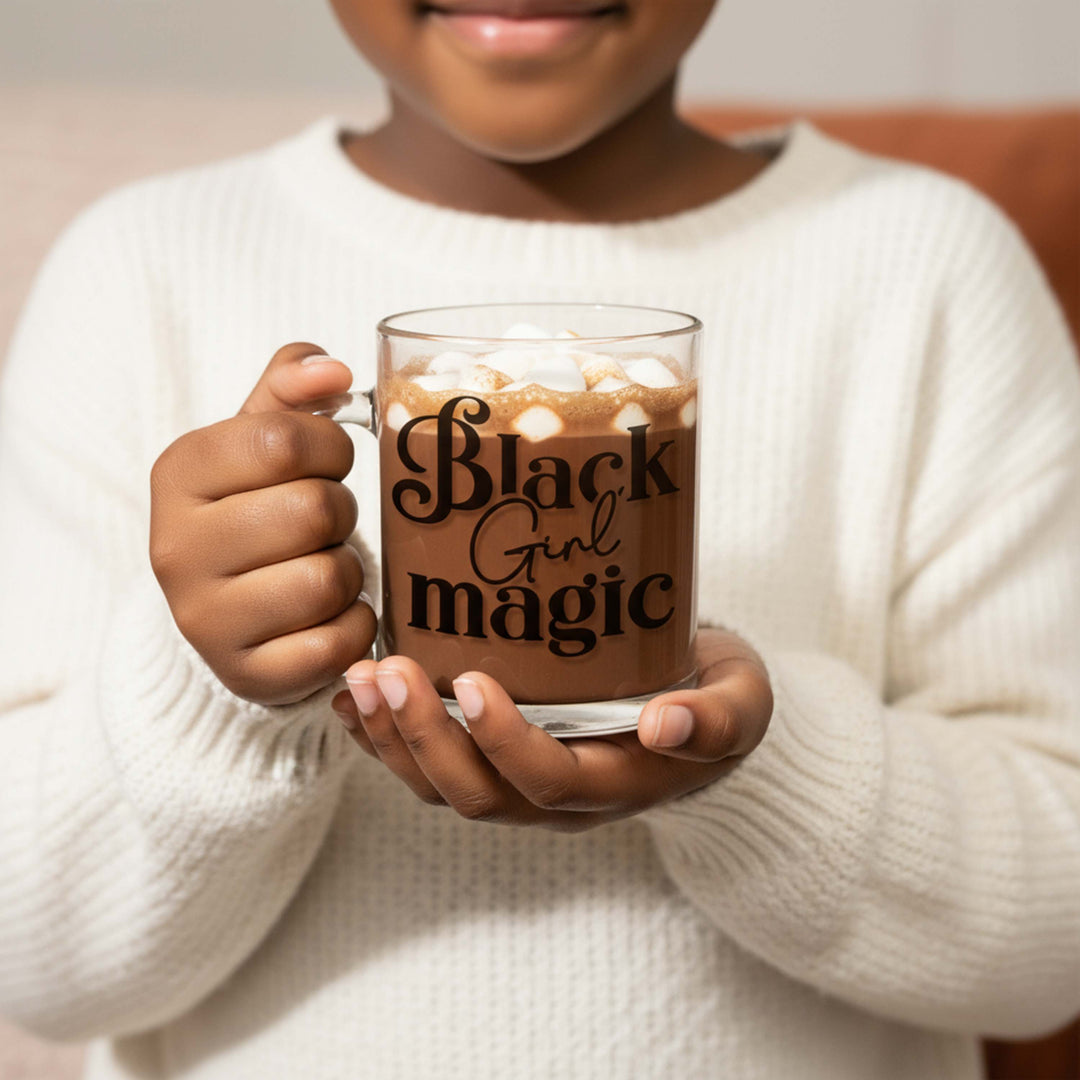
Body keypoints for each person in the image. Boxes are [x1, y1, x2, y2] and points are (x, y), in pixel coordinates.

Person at [1, 2, 1078, 1078]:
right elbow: (36, 964)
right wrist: (217, 687)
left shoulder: (928, 266)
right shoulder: (139, 269)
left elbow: (1055, 943)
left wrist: (762, 772)